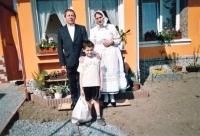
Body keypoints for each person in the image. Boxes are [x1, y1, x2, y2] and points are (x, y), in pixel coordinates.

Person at [89, 10, 127, 107]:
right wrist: (94, 53)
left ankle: (112, 97)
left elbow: (118, 39)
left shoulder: (111, 27)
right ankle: (105, 97)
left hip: (111, 54)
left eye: (100, 17)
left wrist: (112, 42)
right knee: (103, 74)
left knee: (112, 72)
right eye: (97, 18)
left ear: (104, 17)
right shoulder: (93, 30)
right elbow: (91, 44)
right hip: (100, 55)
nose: (99, 20)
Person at [57, 9, 88, 109]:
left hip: (81, 59)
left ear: (75, 17)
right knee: (72, 81)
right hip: (68, 60)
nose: (71, 17)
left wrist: (83, 55)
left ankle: (81, 99)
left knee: (81, 80)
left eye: (72, 15)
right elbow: (60, 47)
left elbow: (85, 43)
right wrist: (62, 61)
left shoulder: (81, 28)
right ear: (65, 17)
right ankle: (74, 100)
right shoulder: (61, 30)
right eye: (68, 15)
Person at [77, 40, 106, 126]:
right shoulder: (82, 61)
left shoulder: (97, 59)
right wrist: (81, 88)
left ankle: (98, 117)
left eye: (91, 50)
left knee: (96, 101)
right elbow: (81, 76)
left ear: (93, 49)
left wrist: (101, 83)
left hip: (96, 84)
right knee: (88, 102)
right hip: (86, 85)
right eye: (88, 50)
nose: (90, 52)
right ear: (84, 50)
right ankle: (89, 117)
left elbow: (101, 72)